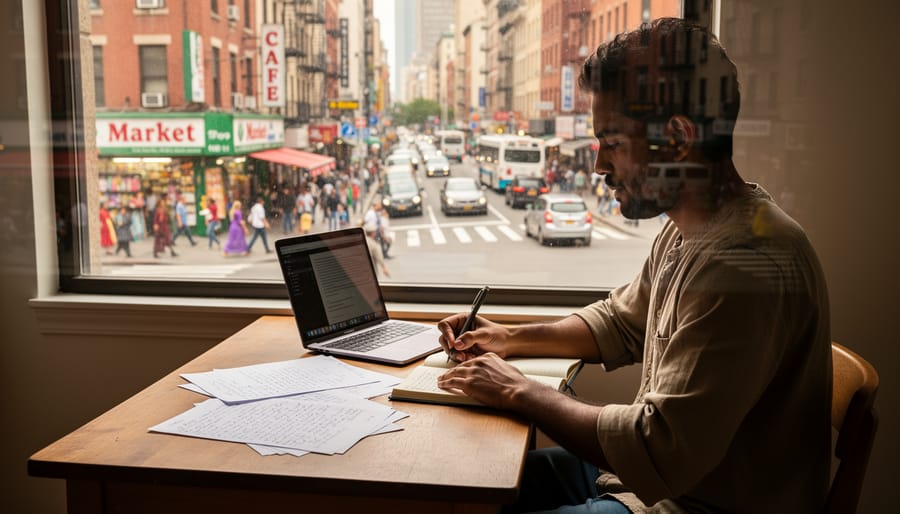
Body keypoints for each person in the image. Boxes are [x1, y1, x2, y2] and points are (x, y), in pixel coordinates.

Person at [436, 18, 830, 514]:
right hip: (648, 483)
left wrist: (517, 391)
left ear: (678, 140)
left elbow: (657, 447)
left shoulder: (745, 263)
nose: (600, 166)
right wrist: (509, 338)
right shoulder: (688, 229)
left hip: (692, 505)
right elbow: (621, 322)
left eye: (614, 144)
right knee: (467, 484)